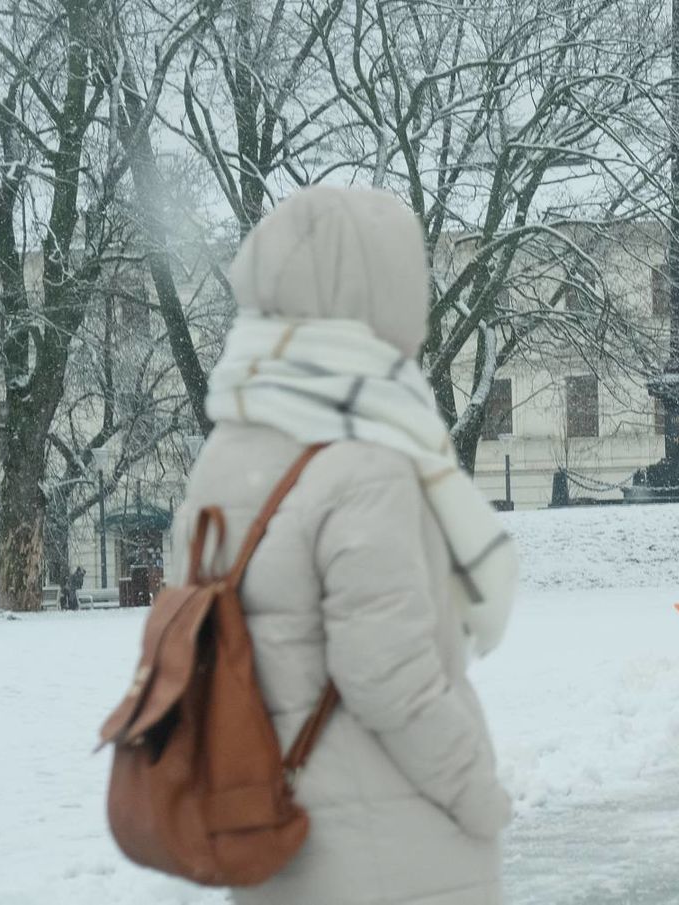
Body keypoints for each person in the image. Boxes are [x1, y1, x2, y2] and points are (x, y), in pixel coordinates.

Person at [173, 185, 518, 905]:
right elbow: (388, 674)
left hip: (274, 835)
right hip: (392, 858)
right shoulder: (367, 454)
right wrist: (478, 795)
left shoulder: (226, 449)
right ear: (376, 290)